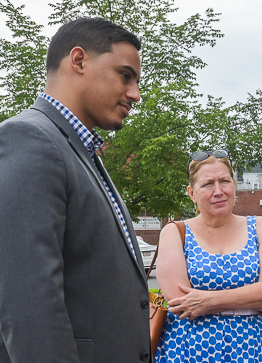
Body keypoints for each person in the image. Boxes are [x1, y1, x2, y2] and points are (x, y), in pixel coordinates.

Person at [0, 18, 151, 362]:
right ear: (79, 61)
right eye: (125, 75)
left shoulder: (79, 151)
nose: (135, 95)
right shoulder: (29, 139)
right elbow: (30, 302)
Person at [155, 150, 262, 362]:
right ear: (191, 193)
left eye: (224, 181)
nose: (218, 191)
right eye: (208, 184)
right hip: (190, 350)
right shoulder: (175, 232)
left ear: (234, 185)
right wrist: (252, 299)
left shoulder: (261, 227)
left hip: (251, 348)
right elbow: (182, 304)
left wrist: (207, 300)